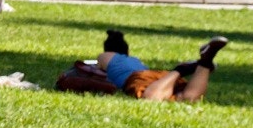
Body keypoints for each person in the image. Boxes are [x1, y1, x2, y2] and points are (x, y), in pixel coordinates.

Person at [95, 29, 228, 103]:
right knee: (188, 99)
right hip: (159, 78)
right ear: (127, 50)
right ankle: (205, 62)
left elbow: (95, 74)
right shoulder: (135, 60)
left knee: (151, 99)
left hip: (139, 79)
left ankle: (181, 69)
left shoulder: (105, 56)